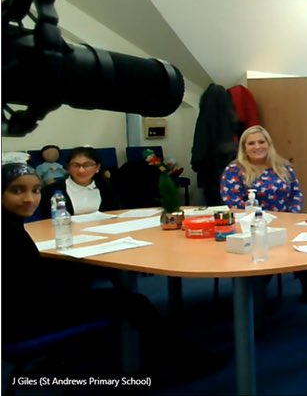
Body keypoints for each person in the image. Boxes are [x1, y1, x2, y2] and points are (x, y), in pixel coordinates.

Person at [1, 163, 223, 380]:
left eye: (36, 190)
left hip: (23, 310)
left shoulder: (11, 225)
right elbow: (34, 289)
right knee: (135, 303)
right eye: (17, 191)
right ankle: (181, 361)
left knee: (95, 287)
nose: (29, 199)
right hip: (25, 321)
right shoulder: (10, 234)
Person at [220, 125, 307, 303]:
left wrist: (291, 216)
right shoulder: (234, 170)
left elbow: (296, 194)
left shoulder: (283, 167)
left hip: (286, 221)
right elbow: (232, 201)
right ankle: (255, 298)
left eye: (261, 142)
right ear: (244, 148)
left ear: (268, 144)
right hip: (252, 226)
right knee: (261, 249)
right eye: (251, 143)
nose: (257, 147)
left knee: (303, 243)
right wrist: (259, 220)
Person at [40, 146, 119, 218]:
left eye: (87, 165)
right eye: (75, 165)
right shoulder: (51, 191)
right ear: (68, 167)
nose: (81, 170)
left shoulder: (107, 188)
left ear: (97, 167)